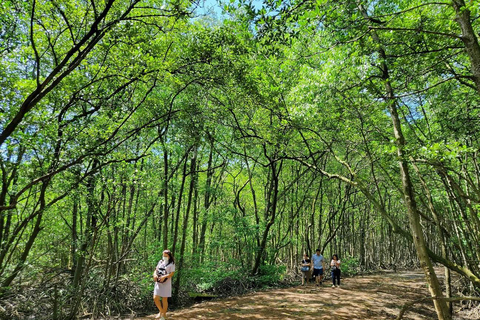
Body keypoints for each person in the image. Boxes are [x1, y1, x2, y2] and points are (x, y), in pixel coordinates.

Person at [153, 250, 175, 320]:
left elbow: (172, 274)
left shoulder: (172, 264)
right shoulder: (160, 262)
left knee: (164, 299)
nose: (164, 257)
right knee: (155, 298)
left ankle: (163, 315)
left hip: (166, 283)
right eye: (163, 255)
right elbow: (156, 270)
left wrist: (164, 276)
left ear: (169, 256)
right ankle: (161, 311)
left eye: (166, 256)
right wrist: (154, 275)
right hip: (158, 282)